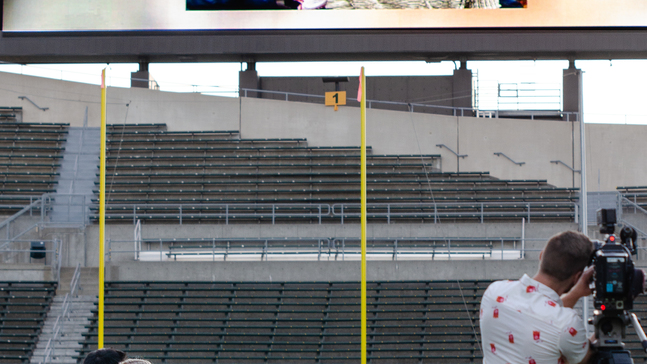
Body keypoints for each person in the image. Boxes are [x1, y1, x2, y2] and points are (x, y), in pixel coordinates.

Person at [480, 231, 596, 364]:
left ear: (541, 256)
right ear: (577, 277)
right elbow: (586, 359)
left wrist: (576, 293)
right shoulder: (567, 323)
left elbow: (542, 316)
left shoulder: (494, 292)